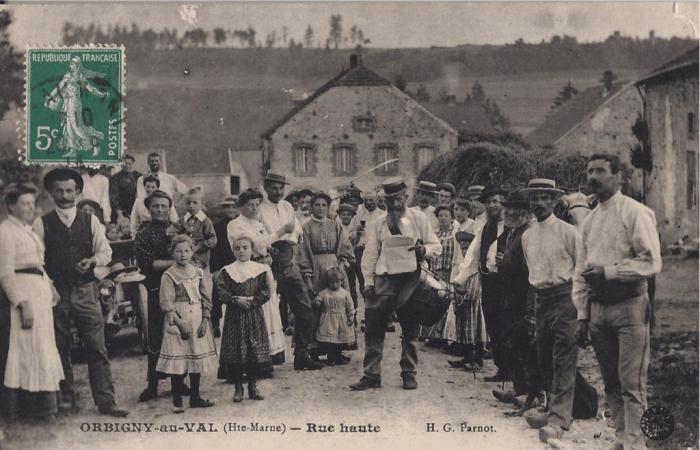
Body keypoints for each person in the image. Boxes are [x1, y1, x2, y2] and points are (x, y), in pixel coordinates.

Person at [574, 154, 661, 450]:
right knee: (611, 382)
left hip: (630, 306)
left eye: (601, 171)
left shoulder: (636, 212)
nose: (593, 177)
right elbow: (580, 272)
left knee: (632, 383)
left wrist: (610, 272)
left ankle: (637, 444)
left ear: (618, 177)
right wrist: (582, 316)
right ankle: (623, 437)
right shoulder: (589, 221)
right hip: (599, 310)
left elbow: (650, 262)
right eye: (590, 171)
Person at [33, 168, 128, 417]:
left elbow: (105, 252)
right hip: (56, 292)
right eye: (59, 191)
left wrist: (93, 261)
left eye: (69, 190)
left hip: (86, 290)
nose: (64, 195)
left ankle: (106, 401)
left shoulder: (91, 221)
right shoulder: (41, 223)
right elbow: (36, 260)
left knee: (97, 347)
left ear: (78, 192)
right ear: (51, 193)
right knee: (59, 346)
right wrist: (48, 285)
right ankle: (66, 399)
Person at [351, 177, 441, 391]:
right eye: (390, 201)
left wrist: (424, 251)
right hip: (384, 278)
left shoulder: (418, 218)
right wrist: (368, 282)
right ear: (385, 201)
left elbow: (436, 245)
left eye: (399, 199)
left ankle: (409, 372)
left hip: (410, 279)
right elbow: (370, 254)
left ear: (406, 197)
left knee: (410, 328)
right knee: (373, 326)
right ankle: (371, 375)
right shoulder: (379, 222)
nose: (395, 204)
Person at [520, 179, 584, 441]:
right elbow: (532, 272)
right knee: (544, 356)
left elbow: (582, 268)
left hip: (565, 296)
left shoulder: (569, 232)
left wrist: (582, 306)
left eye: (545, 197)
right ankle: (552, 407)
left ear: (554, 200)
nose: (539, 202)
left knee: (564, 357)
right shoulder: (527, 235)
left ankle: (559, 419)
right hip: (541, 298)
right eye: (535, 198)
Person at [0, 183, 64, 421]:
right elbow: (5, 273)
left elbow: (38, 264)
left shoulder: (28, 231)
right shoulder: (5, 231)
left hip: (40, 294)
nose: (30, 208)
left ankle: (47, 404)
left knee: (44, 344)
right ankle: (27, 407)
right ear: (11, 206)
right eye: (24, 203)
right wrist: (21, 302)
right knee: (26, 347)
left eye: (32, 203)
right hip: (24, 294)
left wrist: (50, 285)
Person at [258, 173, 322, 370]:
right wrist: (272, 244)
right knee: (268, 312)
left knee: (305, 310)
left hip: (289, 261)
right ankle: (264, 359)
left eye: (281, 188)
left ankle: (301, 355)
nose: (278, 192)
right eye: (274, 188)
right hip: (269, 264)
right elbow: (259, 237)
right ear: (266, 188)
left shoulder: (287, 207)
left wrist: (293, 238)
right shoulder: (259, 210)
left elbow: (297, 231)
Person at [492, 190, 542, 416]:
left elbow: (532, 273)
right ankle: (519, 389)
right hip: (508, 297)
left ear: (526, 212)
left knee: (523, 346)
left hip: (524, 298)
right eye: (508, 208)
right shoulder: (511, 233)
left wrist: (530, 309)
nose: (510, 212)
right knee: (510, 343)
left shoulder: (528, 234)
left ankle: (532, 394)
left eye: (516, 209)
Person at [452, 186, 509, 383]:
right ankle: (503, 369)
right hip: (490, 282)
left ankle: (515, 372)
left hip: (509, 285)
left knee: (508, 327)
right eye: (489, 202)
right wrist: (459, 280)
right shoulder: (486, 228)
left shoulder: (513, 226)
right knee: (493, 326)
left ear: (503, 203)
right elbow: (473, 256)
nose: (493, 205)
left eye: (496, 201)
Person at [156, 235, 218, 413]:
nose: (183, 255)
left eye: (186, 251)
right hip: (177, 320)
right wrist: (179, 323)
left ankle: (195, 397)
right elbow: (166, 303)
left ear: (192, 252)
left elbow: (206, 298)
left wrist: (206, 319)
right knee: (179, 360)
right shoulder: (169, 275)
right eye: (178, 251)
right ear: (172, 253)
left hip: (197, 318)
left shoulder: (197, 272)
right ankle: (177, 401)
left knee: (195, 357)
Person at [226, 189, 286, 367]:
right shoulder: (236, 225)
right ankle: (252, 359)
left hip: (263, 267)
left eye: (256, 205)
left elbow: (264, 246)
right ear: (241, 206)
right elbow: (256, 244)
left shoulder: (257, 223)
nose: (253, 208)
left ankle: (267, 356)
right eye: (249, 205)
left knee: (269, 308)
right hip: (247, 270)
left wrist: (269, 254)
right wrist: (281, 231)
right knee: (254, 310)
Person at [299, 193, 355, 360]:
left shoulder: (335, 225)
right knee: (318, 306)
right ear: (311, 207)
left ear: (328, 207)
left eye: (324, 205)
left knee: (338, 305)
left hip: (335, 268)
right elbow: (303, 252)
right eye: (317, 205)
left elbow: (344, 246)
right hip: (316, 268)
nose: (320, 208)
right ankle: (315, 350)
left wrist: (342, 263)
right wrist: (308, 274)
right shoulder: (306, 227)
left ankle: (336, 349)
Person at [134, 190, 178, 402]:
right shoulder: (143, 233)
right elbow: (149, 264)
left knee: (178, 332)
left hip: (180, 289)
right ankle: (152, 384)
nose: (160, 210)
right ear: (149, 208)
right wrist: (178, 262)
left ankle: (179, 381)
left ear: (169, 207)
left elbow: (193, 250)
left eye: (164, 206)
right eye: (155, 206)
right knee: (155, 335)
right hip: (156, 288)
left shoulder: (178, 229)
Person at [216, 234, 272, 402]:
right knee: (236, 351)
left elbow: (265, 291)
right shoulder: (227, 271)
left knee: (253, 350)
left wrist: (253, 302)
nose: (241, 251)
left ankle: (253, 386)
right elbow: (221, 291)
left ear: (251, 250)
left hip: (254, 314)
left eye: (245, 248)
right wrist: (235, 300)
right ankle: (238, 387)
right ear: (233, 250)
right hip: (235, 315)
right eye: (237, 248)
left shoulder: (259, 269)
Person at [420, 204, 462, 347]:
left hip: (449, 272)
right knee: (433, 301)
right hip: (435, 272)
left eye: (446, 215)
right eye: (440, 216)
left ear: (452, 218)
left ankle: (446, 337)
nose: (443, 218)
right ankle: (432, 336)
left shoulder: (456, 233)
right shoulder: (434, 234)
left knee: (448, 300)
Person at [448, 230, 487, 370]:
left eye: (467, 248)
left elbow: (474, 292)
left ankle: (477, 360)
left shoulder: (476, 268)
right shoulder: (463, 267)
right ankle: (466, 357)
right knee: (464, 332)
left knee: (474, 332)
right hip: (462, 303)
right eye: (463, 248)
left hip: (472, 305)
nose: (465, 251)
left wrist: (463, 302)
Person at [173, 188, 217, 298]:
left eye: (195, 203)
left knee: (204, 287)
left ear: (201, 204)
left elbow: (213, 240)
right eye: (188, 203)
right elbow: (171, 231)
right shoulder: (183, 220)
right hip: (186, 259)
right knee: (188, 285)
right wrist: (180, 239)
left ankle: (206, 311)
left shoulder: (205, 221)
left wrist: (201, 245)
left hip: (201, 260)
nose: (191, 206)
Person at [209, 196, 239, 337]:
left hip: (239, 264)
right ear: (223, 209)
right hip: (222, 265)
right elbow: (214, 250)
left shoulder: (241, 225)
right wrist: (214, 269)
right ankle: (215, 322)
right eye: (228, 207)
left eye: (233, 207)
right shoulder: (217, 226)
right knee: (217, 294)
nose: (231, 210)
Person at [315, 268, 356, 365]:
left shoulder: (345, 293)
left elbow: (350, 306)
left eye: (337, 282)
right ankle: (331, 357)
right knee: (331, 340)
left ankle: (338, 356)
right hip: (328, 319)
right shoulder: (325, 292)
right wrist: (317, 301)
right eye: (331, 282)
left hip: (341, 319)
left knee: (340, 339)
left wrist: (351, 317)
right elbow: (319, 298)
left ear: (341, 281)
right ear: (328, 282)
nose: (334, 284)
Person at [109, 154, 141, 222]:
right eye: (125, 163)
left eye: (130, 164)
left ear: (132, 164)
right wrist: (119, 213)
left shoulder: (136, 175)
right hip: (120, 211)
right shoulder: (115, 178)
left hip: (134, 210)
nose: (127, 166)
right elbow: (114, 196)